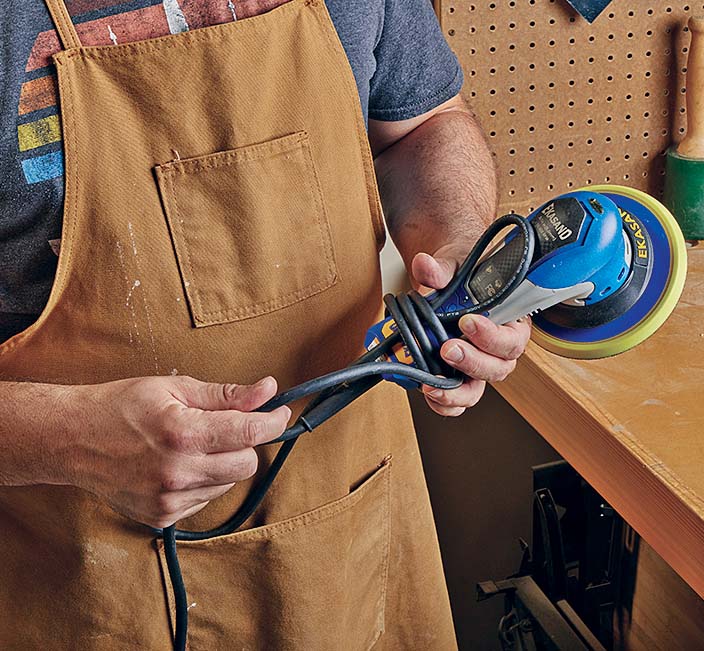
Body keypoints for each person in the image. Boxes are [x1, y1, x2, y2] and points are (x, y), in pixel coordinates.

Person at [0, 1, 530, 648]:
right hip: (81, 577)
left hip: (347, 543)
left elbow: (421, 127)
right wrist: (65, 438)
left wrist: (463, 261)